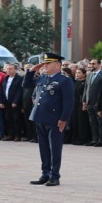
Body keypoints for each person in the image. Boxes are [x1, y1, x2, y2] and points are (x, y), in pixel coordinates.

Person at [24, 53, 74, 187]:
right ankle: (45, 173)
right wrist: (33, 70)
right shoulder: (43, 77)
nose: (44, 65)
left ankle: (54, 176)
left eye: (48, 63)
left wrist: (63, 119)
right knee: (43, 147)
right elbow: (27, 84)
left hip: (55, 119)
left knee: (55, 148)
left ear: (57, 65)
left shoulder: (64, 80)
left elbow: (69, 102)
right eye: (44, 63)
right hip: (40, 117)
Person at [83, 59, 102, 146]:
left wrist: (100, 102)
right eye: (90, 63)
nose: (91, 65)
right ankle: (95, 139)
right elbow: (86, 88)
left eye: (93, 64)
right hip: (89, 102)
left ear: (99, 65)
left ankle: (101, 140)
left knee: (100, 122)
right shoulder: (89, 75)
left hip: (98, 102)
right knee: (92, 121)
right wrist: (84, 100)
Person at [0, 63, 23, 141]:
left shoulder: (19, 79)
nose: (8, 70)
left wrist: (15, 101)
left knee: (16, 119)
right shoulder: (5, 79)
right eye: (7, 69)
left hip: (15, 103)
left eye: (10, 69)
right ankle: (10, 134)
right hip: (6, 102)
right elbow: (2, 91)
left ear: (15, 70)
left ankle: (17, 135)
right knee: (7, 118)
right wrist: (1, 102)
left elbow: (19, 91)